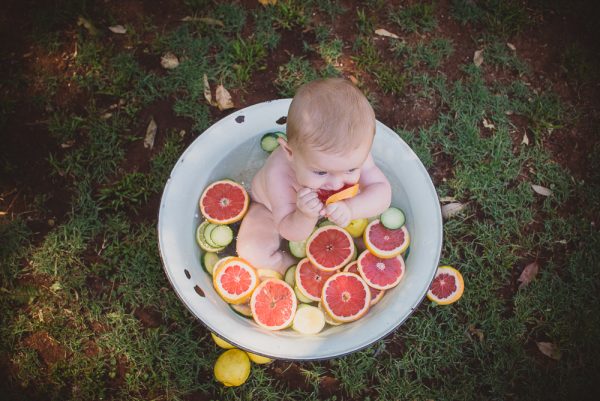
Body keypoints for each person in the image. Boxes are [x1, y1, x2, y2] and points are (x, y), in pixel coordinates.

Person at [236, 78, 392, 275]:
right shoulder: (279, 175)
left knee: (370, 216)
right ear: (290, 152)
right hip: (272, 210)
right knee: (252, 252)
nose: (336, 184)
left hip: (334, 209)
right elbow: (289, 230)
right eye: (321, 172)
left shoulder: (352, 154)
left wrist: (351, 208)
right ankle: (295, 270)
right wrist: (305, 215)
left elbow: (383, 193)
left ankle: (354, 257)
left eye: (351, 170)